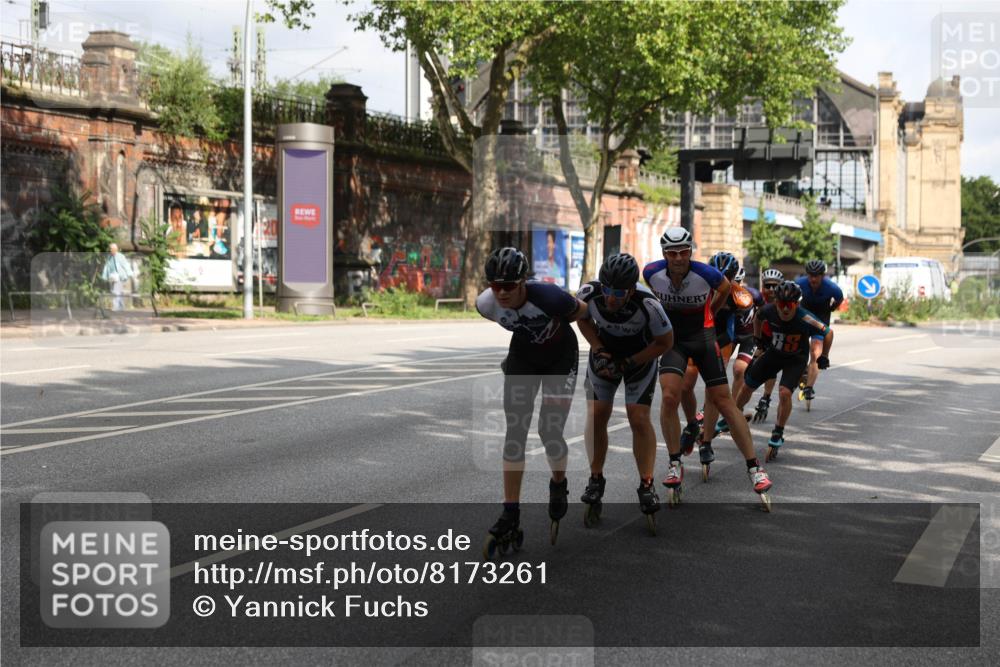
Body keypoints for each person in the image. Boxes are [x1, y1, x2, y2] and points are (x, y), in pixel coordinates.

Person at [643, 228, 773, 510]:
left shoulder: (707, 275)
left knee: (725, 402)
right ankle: (675, 462)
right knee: (668, 397)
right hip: (674, 341)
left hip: (704, 338)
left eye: (683, 252)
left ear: (690, 251)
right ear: (664, 253)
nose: (678, 258)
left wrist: (710, 312)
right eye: (672, 253)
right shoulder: (652, 272)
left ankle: (754, 467)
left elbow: (725, 289)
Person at [476, 247, 589, 557]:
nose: (501, 292)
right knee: (515, 432)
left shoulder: (550, 297)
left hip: (560, 357)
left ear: (523, 282)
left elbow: (583, 313)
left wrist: (602, 350)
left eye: (509, 286)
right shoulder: (485, 304)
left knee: (549, 431)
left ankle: (558, 483)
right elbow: (515, 321)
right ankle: (509, 513)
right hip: (523, 356)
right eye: (494, 284)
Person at [575, 253, 674, 533]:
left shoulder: (649, 304)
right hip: (604, 356)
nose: (610, 298)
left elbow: (666, 341)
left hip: (639, 359)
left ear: (631, 290)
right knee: (596, 414)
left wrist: (632, 361)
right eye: (606, 289)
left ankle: (646, 483)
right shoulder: (589, 292)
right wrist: (598, 348)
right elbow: (580, 319)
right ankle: (595, 478)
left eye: (618, 293)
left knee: (638, 418)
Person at [734, 281, 833, 461]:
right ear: (776, 302)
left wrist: (824, 355)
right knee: (748, 385)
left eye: (790, 305)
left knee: (785, 393)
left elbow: (828, 332)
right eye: (781, 304)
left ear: (797, 304)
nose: (785, 309)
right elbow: (758, 317)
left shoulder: (805, 317)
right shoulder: (769, 310)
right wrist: (758, 338)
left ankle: (778, 431)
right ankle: (734, 414)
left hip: (795, 359)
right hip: (774, 354)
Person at [696, 253, 759, 475]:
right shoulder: (698, 286)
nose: (719, 281)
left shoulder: (742, 297)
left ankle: (706, 442)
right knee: (682, 385)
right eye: (716, 276)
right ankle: (694, 430)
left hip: (723, 338)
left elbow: (747, 325)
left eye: (726, 277)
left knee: (714, 390)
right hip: (696, 334)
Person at [795, 259, 843, 405]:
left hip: (820, 321)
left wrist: (832, 308)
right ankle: (801, 372)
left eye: (816, 276)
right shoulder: (799, 283)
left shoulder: (832, 288)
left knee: (815, 354)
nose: (813, 279)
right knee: (796, 352)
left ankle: (809, 388)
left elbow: (839, 299)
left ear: (823, 276)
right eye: (810, 275)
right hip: (804, 318)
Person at [750, 267, 785, 424]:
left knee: (771, 367)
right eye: (767, 286)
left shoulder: (785, 300)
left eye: (774, 286)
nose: (771, 290)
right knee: (749, 368)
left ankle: (766, 397)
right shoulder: (758, 298)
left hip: (780, 336)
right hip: (762, 336)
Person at [100, 243, 134, 312]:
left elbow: (125, 265)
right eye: (110, 249)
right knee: (118, 291)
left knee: (116, 291)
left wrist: (130, 273)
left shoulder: (120, 256)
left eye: (112, 249)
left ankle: (116, 306)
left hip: (120, 276)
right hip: (112, 276)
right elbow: (107, 267)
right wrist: (104, 276)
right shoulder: (109, 257)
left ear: (116, 249)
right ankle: (121, 307)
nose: (111, 250)